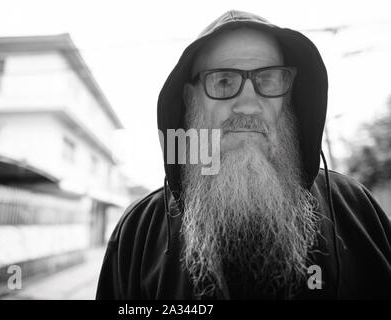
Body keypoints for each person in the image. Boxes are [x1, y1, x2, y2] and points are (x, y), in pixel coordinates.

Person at [96, 10, 391, 299]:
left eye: (269, 81)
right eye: (224, 82)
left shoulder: (355, 209)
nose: (248, 105)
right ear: (190, 100)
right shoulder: (139, 232)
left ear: (289, 98)